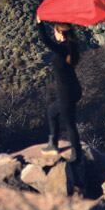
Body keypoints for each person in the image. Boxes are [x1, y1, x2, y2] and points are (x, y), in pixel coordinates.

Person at [37, 20, 83, 162]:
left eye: (55, 31)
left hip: (67, 92)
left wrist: (39, 23)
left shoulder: (63, 49)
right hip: (74, 89)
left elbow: (45, 40)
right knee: (52, 112)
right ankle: (53, 144)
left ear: (61, 34)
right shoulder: (71, 46)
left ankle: (77, 155)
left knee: (70, 124)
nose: (54, 34)